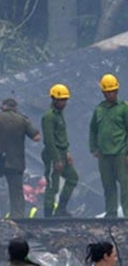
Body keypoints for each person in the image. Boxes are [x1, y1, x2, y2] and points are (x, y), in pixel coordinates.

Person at [89, 73, 128, 217]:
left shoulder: (124, 109)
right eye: (107, 92)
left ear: (117, 91)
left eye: (112, 91)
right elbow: (93, 130)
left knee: (126, 186)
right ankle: (111, 214)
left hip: (120, 154)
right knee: (108, 186)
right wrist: (94, 148)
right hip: (104, 156)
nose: (110, 94)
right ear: (103, 93)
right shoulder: (99, 110)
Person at [41, 84, 78, 218]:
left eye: (65, 100)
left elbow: (62, 136)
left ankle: (61, 209)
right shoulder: (49, 116)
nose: (64, 103)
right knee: (52, 186)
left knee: (73, 178)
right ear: (54, 99)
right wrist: (56, 159)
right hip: (53, 155)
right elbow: (49, 140)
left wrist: (67, 152)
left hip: (62, 152)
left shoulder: (59, 115)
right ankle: (48, 216)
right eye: (61, 100)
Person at [0, 98, 41, 219]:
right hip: (15, 161)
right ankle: (17, 217)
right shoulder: (22, 120)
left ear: (3, 107)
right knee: (16, 191)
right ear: (15, 107)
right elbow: (37, 137)